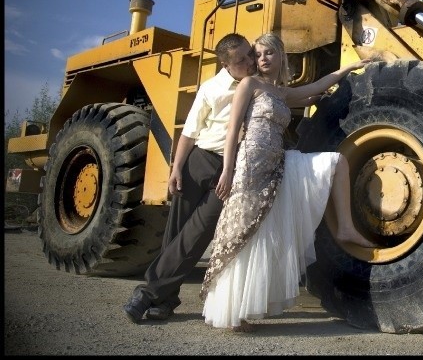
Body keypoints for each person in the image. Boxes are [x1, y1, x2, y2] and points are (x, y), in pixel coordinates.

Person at [200, 32, 376, 332]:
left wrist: (348, 70)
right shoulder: (249, 84)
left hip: (278, 162)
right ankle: (235, 311)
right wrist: (227, 169)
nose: (262, 59)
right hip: (251, 165)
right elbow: (232, 131)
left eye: (268, 53)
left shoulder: (281, 92)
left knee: (336, 162)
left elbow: (316, 86)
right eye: (257, 54)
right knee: (247, 231)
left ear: (281, 55)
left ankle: (345, 228)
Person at [123, 33, 256, 323]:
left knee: (198, 233)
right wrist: (175, 168)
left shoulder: (258, 84)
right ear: (225, 63)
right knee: (176, 231)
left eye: (249, 54)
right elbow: (190, 132)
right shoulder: (211, 88)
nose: (249, 62)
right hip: (199, 161)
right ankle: (166, 301)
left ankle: (148, 293)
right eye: (241, 60)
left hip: (230, 169)